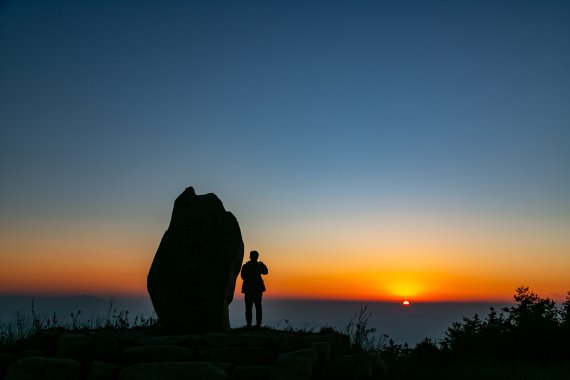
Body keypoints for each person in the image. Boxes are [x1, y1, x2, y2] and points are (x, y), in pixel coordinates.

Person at [240, 250, 268, 327]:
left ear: (250, 256)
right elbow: (266, 272)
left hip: (248, 289)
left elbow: (242, 276)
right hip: (257, 289)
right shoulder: (259, 265)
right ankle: (258, 324)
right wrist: (263, 265)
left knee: (248, 307)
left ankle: (249, 324)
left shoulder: (246, 266)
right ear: (257, 256)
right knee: (258, 306)